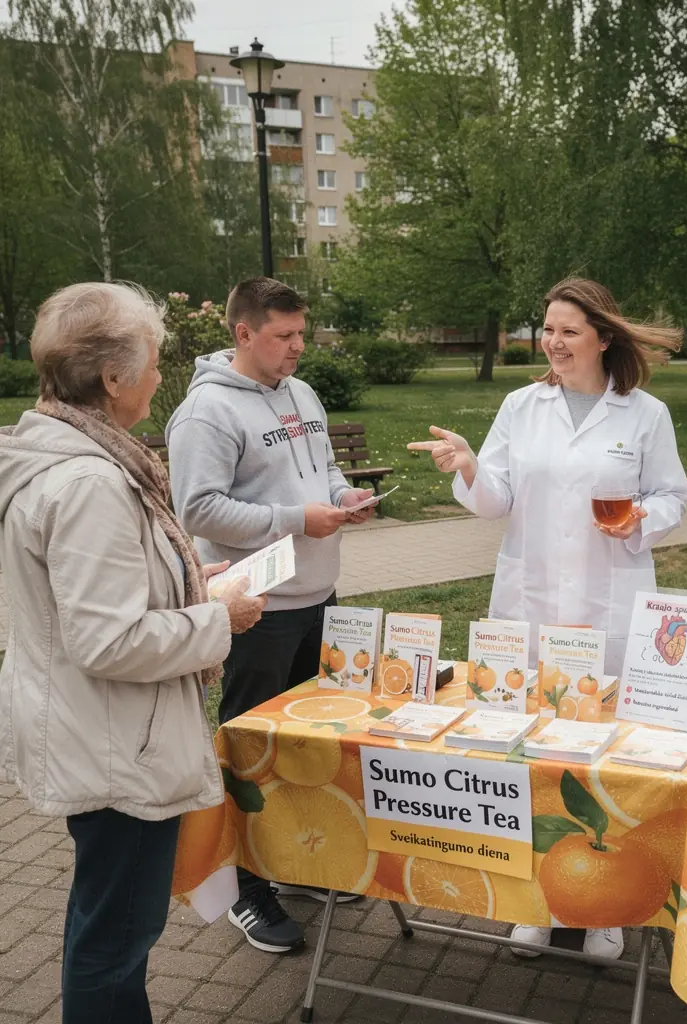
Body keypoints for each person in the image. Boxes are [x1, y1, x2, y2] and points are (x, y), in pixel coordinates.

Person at [0, 282, 266, 1024]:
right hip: (117, 746)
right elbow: (107, 639)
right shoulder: (90, 482)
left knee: (109, 929)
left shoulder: (74, 455)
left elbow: (91, 600)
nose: (159, 375)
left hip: (104, 733)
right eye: (152, 361)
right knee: (113, 940)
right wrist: (219, 618)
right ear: (113, 379)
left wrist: (186, 579)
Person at [408, 277, 687, 961]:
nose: (553, 342)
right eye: (547, 328)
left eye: (568, 330)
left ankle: (608, 911)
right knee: (532, 750)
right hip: (530, 601)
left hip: (607, 598)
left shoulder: (643, 413)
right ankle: (537, 897)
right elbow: (495, 498)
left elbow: (673, 495)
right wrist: (469, 464)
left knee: (603, 753)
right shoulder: (521, 405)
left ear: (601, 336)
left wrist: (639, 519)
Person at [167, 277, 375, 953]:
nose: (297, 347)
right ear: (243, 333)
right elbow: (198, 509)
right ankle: (243, 889)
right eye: (284, 336)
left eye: (301, 334)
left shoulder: (301, 392)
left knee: (307, 748)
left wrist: (344, 496)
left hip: (320, 598)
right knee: (249, 751)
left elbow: (318, 473)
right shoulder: (206, 413)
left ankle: (292, 864)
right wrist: (297, 520)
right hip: (256, 611)